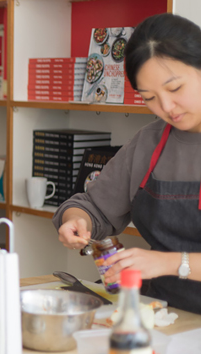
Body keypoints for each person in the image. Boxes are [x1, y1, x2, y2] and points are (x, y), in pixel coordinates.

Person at [53, 13, 201, 314]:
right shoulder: (150, 142)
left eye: (174, 89)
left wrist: (167, 262)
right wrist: (76, 219)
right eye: (150, 97)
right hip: (164, 313)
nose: (166, 108)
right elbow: (94, 207)